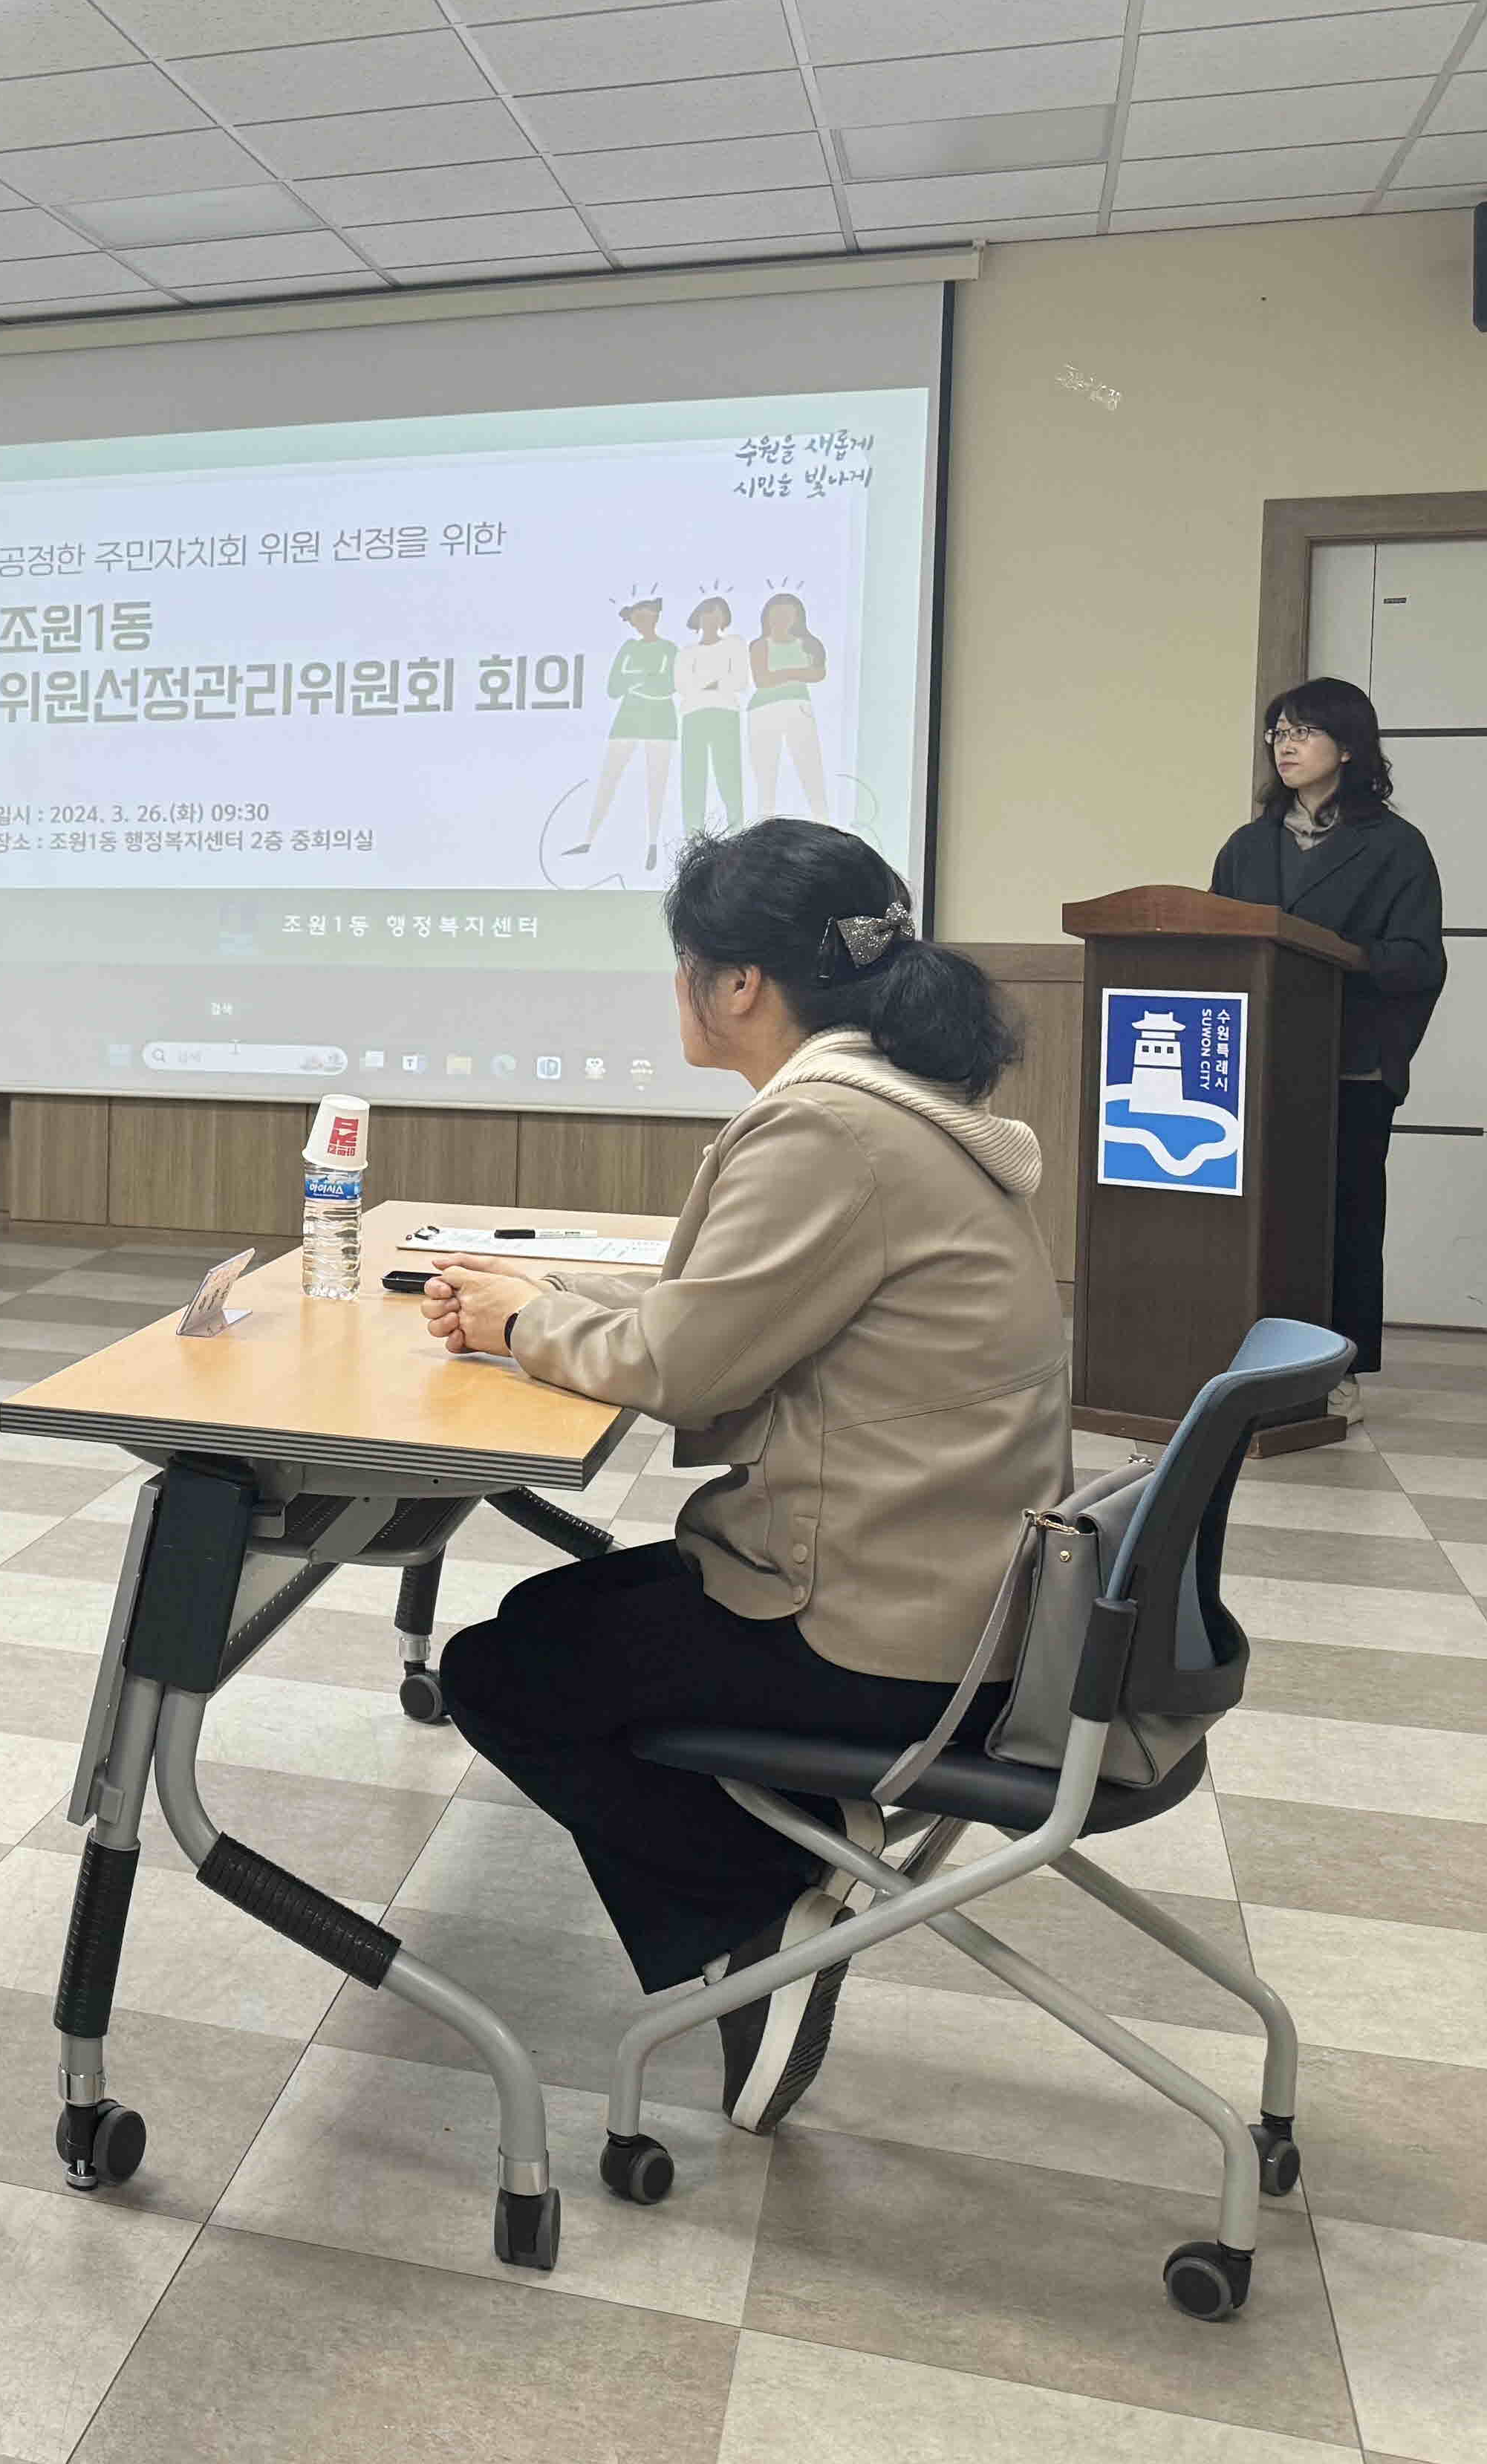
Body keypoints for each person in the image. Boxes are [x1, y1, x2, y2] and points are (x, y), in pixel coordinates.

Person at [420, 819, 1064, 2140]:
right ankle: (770, 1872)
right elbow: (731, 1306)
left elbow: (689, 1366)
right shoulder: (889, 1110)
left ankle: (751, 1928)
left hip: (880, 1623)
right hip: (948, 1580)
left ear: (736, 987)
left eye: (685, 965)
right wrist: (548, 1294)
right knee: (552, 1625)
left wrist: (515, 1324)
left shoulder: (825, 1130)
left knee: (506, 1671)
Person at [1208, 677, 1445, 1419]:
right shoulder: (1245, 847)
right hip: (1257, 1069)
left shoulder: (1395, 846)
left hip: (1349, 1063)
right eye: (1277, 730)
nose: (1284, 742)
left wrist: (1335, 956)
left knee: (1343, 1217)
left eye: (1302, 730)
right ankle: (1248, 1362)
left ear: (1347, 747)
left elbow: (1417, 959)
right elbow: (1218, 949)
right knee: (1257, 1219)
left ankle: (1338, 1366)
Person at [565, 596, 676, 869]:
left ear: (655, 618)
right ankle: (589, 839)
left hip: (661, 720)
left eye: (646, 617)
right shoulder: (628, 648)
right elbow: (614, 687)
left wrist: (636, 681)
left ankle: (653, 845)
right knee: (609, 778)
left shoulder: (669, 649)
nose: (641, 623)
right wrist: (646, 680)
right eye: (636, 619)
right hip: (627, 718)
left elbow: (668, 686)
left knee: (656, 783)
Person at [746, 592, 830, 821]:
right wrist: (798, 672)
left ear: (797, 618)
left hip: (798, 709)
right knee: (766, 774)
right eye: (776, 614)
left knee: (810, 768)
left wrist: (782, 674)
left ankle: (824, 822)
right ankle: (764, 827)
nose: (781, 619)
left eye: (787, 614)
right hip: (763, 712)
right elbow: (762, 680)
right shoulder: (760, 645)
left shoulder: (807, 644)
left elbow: (819, 673)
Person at [674, 594, 750, 839]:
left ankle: (738, 834)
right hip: (693, 717)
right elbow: (682, 685)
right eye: (707, 613)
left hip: (725, 715)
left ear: (724, 618)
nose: (711, 618)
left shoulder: (734, 644)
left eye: (717, 613)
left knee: (729, 776)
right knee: (693, 778)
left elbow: (738, 680)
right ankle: (692, 838)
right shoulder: (687, 652)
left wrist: (704, 683)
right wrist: (716, 681)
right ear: (698, 617)